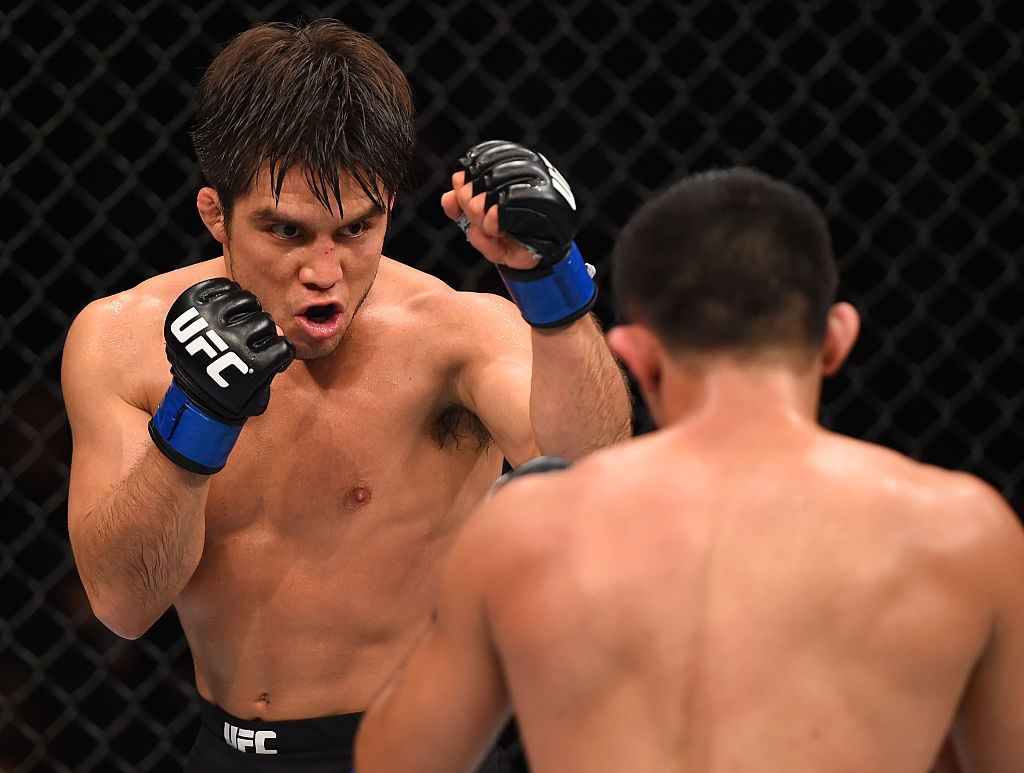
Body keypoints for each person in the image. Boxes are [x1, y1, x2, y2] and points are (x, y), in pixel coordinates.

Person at [61, 18, 631, 771]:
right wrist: (195, 420)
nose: (325, 269)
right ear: (215, 216)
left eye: (357, 228)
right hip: (231, 749)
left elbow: (596, 485)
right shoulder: (122, 341)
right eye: (287, 232)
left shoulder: (458, 337)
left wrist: (552, 287)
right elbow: (122, 605)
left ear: (390, 206)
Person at [353, 167, 1024, 773]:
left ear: (638, 357)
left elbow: (395, 762)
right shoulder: (964, 534)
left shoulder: (533, 532)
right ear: (837, 338)